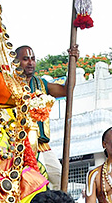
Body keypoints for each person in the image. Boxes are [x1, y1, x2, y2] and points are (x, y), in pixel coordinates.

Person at [13, 45, 71, 186]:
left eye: (33, 59)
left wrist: (72, 62)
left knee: (60, 179)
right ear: (15, 62)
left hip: (42, 144)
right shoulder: (10, 84)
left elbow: (66, 90)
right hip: (21, 144)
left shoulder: (41, 84)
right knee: (34, 183)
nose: (31, 62)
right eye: (25, 59)